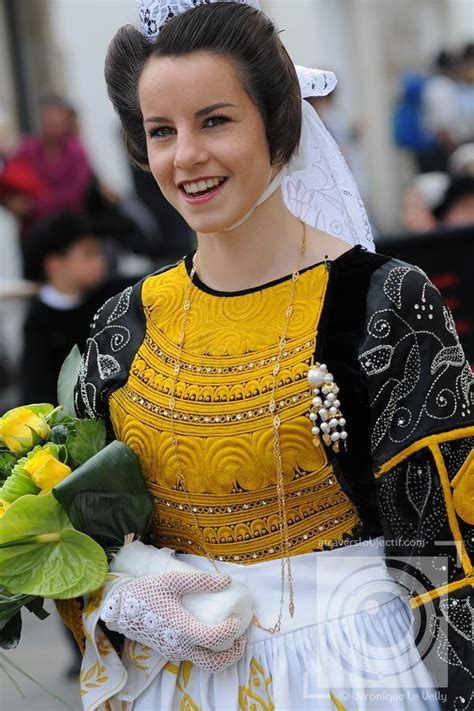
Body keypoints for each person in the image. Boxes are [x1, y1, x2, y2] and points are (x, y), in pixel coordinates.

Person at [66, 2, 473, 710]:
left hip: (355, 674)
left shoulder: (382, 303)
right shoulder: (121, 326)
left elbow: (445, 550)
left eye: (215, 120)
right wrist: (118, 591)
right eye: (162, 131)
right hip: (177, 684)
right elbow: (74, 537)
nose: (186, 155)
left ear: (277, 124)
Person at [20, 212, 136, 405]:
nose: (101, 261)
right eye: (89, 253)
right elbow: (36, 391)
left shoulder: (116, 296)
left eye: (99, 252)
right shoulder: (38, 322)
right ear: (54, 264)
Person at [1, 95, 92, 272]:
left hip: (66, 232)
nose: (52, 123)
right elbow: (10, 182)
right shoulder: (27, 149)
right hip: (33, 234)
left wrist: (34, 205)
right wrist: (10, 202)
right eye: (47, 118)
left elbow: (74, 193)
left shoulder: (76, 152)